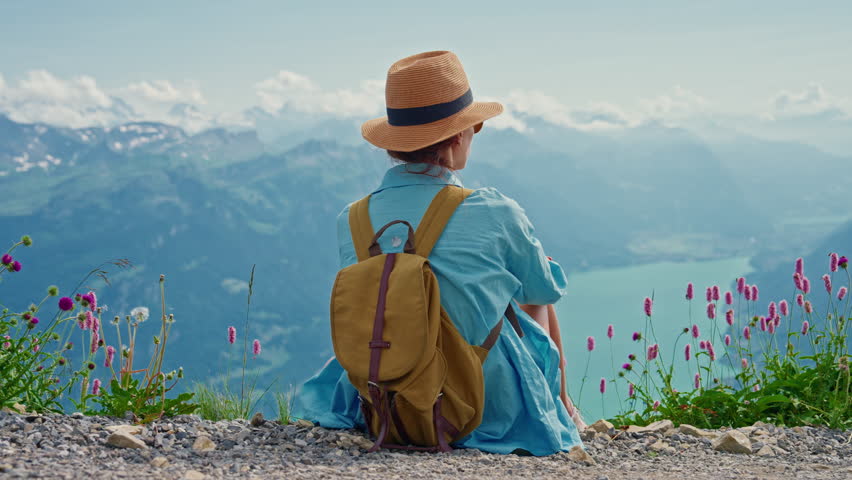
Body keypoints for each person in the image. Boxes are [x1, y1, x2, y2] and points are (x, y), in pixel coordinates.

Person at [292, 50, 585, 456]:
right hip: (479, 404)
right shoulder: (495, 210)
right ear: (455, 137)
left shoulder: (353, 219)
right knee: (537, 288)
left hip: (382, 400)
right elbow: (542, 290)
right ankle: (561, 408)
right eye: (473, 128)